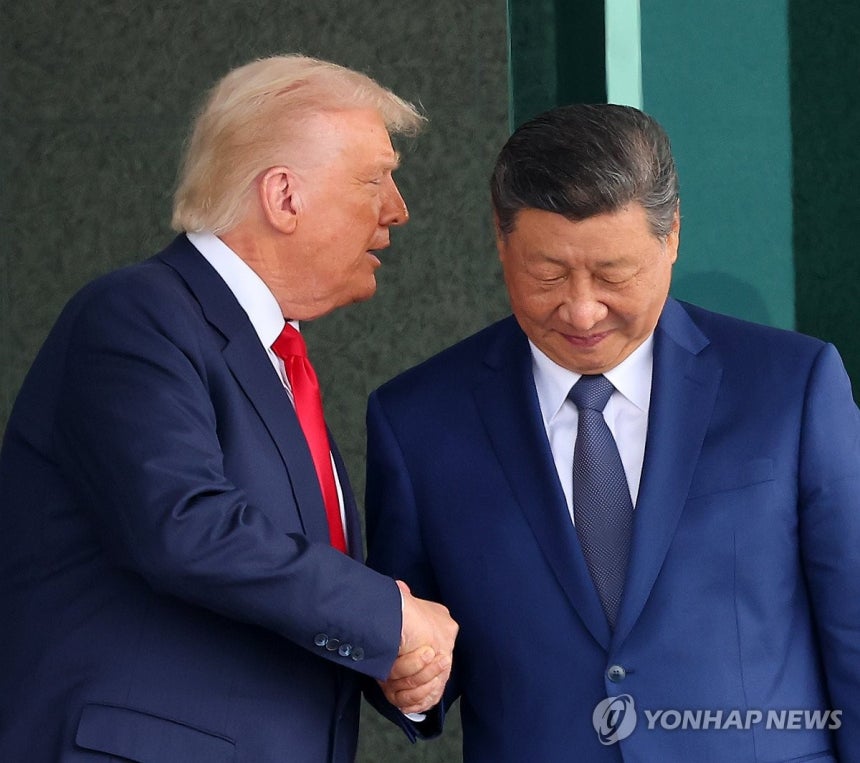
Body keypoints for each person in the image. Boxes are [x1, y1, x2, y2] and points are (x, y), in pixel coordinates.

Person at [365, 104, 860, 761]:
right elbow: (414, 642)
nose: (581, 308)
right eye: (547, 273)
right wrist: (410, 681)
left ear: (672, 235)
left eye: (611, 274)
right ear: (500, 239)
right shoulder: (419, 420)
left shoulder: (790, 387)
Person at [0, 55, 456, 763]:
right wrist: (389, 617)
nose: (397, 208)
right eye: (375, 179)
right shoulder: (136, 314)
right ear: (284, 197)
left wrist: (398, 660)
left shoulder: (274, 355)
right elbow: (184, 525)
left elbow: (285, 591)